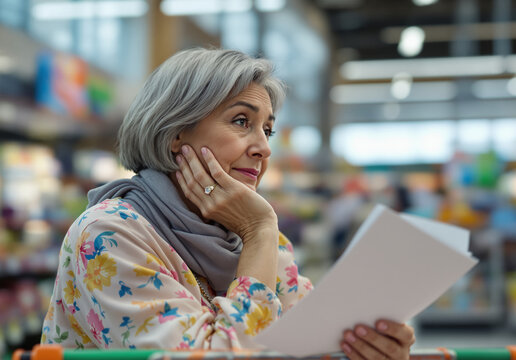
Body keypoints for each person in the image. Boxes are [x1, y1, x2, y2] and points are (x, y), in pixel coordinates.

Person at [41, 48, 415, 359]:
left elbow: (311, 344)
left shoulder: (257, 237)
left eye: (267, 129)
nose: (264, 148)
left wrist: (365, 347)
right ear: (175, 133)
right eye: (241, 121)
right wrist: (258, 234)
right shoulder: (110, 234)